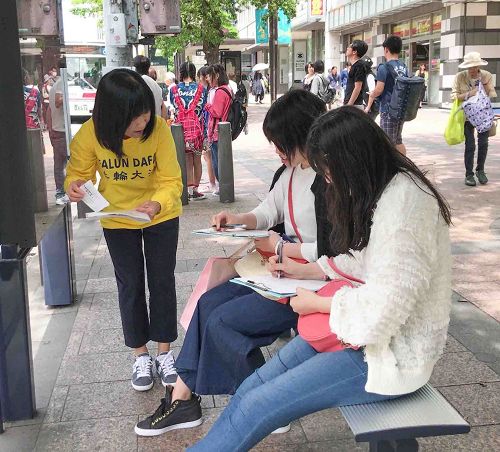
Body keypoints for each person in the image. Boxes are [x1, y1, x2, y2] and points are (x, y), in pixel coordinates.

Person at [186, 106, 453, 451]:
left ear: (351, 162)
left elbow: (384, 309)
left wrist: (318, 303)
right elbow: (368, 262)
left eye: (328, 173)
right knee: (253, 386)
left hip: (388, 354)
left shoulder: (405, 208)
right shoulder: (390, 188)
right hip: (362, 335)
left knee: (258, 403)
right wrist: (309, 270)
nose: (327, 182)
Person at [135, 90, 332, 437]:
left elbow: (337, 251)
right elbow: (269, 211)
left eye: (280, 141)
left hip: (310, 284)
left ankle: (266, 402)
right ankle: (184, 398)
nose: (276, 149)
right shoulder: (290, 171)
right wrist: (237, 219)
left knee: (222, 322)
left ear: (302, 134)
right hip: (281, 274)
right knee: (208, 303)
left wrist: (283, 247)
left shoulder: (328, 180)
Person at [64, 69, 183, 392]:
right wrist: (74, 185)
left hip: (160, 214)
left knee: (162, 280)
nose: (142, 123)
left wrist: (157, 203)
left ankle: (164, 352)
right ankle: (140, 354)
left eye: (145, 114)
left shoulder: (158, 130)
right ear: (112, 115)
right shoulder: (90, 134)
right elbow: (78, 173)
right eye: (134, 118)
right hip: (118, 218)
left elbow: (171, 180)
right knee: (130, 284)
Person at [451, 52, 497, 186]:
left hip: (483, 116)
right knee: (470, 145)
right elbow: (454, 96)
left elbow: (491, 93)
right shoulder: (460, 77)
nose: (472, 70)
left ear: (479, 66)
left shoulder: (486, 75)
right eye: (470, 67)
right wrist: (469, 94)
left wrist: (486, 88)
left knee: (483, 143)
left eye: (475, 66)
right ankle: (469, 174)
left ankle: (480, 170)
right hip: (467, 116)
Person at [170, 62, 207, 200]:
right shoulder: (201, 89)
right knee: (197, 159)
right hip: (196, 129)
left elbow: (173, 107)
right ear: (193, 72)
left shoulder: (174, 89)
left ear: (181, 73)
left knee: (186, 160)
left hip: (180, 130)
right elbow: (203, 107)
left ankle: (188, 189)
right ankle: (195, 190)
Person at [366, 35, 408, 155]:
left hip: (388, 109)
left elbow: (379, 89)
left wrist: (372, 94)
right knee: (398, 140)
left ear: (386, 49)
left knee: (387, 141)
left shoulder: (383, 67)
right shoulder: (403, 66)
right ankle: (404, 163)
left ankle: (392, 164)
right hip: (401, 108)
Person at [205, 64, 232, 183]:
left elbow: (217, 112)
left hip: (217, 132)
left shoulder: (220, 91)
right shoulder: (227, 88)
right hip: (223, 131)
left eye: (209, 76)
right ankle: (224, 187)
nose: (207, 79)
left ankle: (223, 187)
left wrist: (207, 106)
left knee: (217, 163)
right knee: (222, 162)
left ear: (216, 75)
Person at [47, 74, 69, 205]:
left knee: (59, 164)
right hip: (62, 130)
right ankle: (64, 192)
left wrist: (50, 129)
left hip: (56, 129)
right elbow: (58, 101)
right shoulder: (61, 83)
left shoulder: (54, 86)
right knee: (72, 164)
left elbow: (49, 111)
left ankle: (60, 192)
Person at [197, 66, 217, 194]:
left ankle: (212, 183)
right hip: (209, 127)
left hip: (207, 127)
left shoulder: (206, 91)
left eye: (200, 76)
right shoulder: (210, 90)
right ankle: (213, 183)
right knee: (209, 156)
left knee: (207, 156)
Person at [133, 55, 167, 119]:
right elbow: (163, 108)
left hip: (146, 123)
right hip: (156, 122)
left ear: (135, 68)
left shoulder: (140, 82)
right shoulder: (156, 85)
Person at [344, 40, 368, 107]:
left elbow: (358, 87)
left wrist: (349, 105)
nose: (347, 48)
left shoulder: (359, 65)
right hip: (352, 104)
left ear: (354, 52)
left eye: (349, 46)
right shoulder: (355, 65)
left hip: (354, 105)